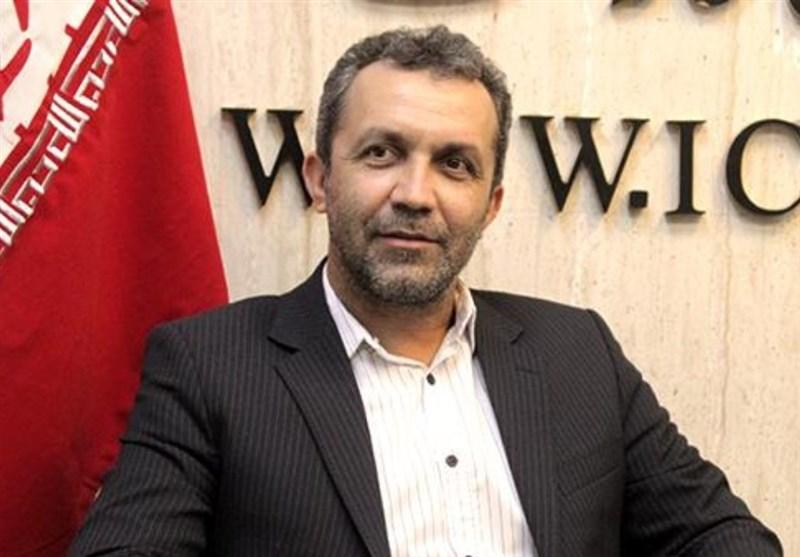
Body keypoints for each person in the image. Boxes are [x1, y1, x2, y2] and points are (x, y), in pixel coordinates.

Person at [70, 26, 782, 557]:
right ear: (320, 179)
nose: (415, 194)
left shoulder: (579, 353)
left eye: (455, 164)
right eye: (382, 152)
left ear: (492, 203)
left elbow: (719, 534)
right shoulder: (209, 365)